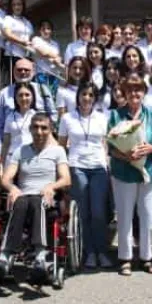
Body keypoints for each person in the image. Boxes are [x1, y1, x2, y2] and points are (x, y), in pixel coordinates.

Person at [0, 113, 71, 279]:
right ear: (30, 129)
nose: (39, 131)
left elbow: (66, 179)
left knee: (36, 201)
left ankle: (40, 256)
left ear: (50, 129)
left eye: (44, 128)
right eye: (35, 127)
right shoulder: (21, 151)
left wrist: (52, 186)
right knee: (20, 202)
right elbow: (6, 178)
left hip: (46, 197)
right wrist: (12, 188)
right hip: (23, 195)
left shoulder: (58, 151)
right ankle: (5, 256)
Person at [108, 74, 152, 275]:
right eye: (130, 90)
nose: (134, 93)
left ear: (144, 92)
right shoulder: (115, 115)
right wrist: (125, 155)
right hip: (123, 172)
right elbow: (110, 146)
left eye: (138, 89)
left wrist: (150, 148)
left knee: (149, 216)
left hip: (149, 171)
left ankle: (146, 258)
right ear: (124, 93)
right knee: (124, 216)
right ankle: (125, 258)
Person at [58, 82, 112, 269]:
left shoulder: (103, 117)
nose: (87, 98)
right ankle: (89, 252)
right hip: (77, 166)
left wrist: (106, 162)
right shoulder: (67, 118)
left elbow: (105, 143)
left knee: (98, 212)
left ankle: (102, 251)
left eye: (90, 95)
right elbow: (61, 146)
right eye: (84, 94)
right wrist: (63, 172)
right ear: (78, 96)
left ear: (95, 98)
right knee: (83, 212)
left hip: (98, 167)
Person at [0, 59, 56, 156]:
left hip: (40, 150)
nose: (23, 72)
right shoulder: (4, 93)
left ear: (33, 71)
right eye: (19, 70)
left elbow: (53, 116)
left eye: (26, 70)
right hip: (12, 151)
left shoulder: (42, 90)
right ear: (13, 71)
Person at [1, 82, 37, 165]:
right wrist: (1, 165)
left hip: (31, 160)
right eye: (20, 95)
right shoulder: (10, 117)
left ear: (33, 97)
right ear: (15, 98)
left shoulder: (37, 116)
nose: (24, 98)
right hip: (12, 160)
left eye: (27, 95)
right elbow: (6, 143)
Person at [1, 0, 33, 72]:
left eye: (19, 4)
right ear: (11, 7)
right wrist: (22, 42)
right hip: (12, 55)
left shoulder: (27, 22)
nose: (17, 7)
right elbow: (8, 34)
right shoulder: (8, 19)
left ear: (23, 6)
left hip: (25, 56)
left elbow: (31, 38)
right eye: (14, 5)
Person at [31, 19, 61, 96]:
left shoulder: (55, 44)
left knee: (53, 97)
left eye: (48, 29)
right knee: (42, 96)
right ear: (40, 30)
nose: (46, 31)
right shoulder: (36, 39)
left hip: (54, 74)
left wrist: (58, 59)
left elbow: (59, 59)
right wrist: (55, 56)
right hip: (41, 73)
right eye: (43, 29)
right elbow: (43, 52)